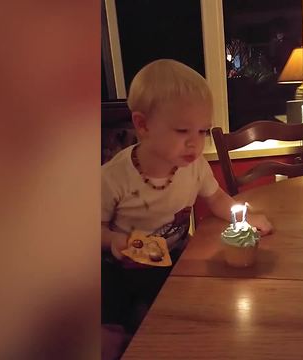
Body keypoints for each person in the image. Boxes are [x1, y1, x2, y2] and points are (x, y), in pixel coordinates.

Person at [101, 59, 273, 358]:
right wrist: (114, 241)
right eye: (182, 131)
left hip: (175, 260)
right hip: (121, 269)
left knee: (207, 310)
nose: (195, 144)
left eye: (203, 131)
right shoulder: (112, 177)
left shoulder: (194, 167)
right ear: (142, 125)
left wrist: (246, 216)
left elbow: (216, 197)